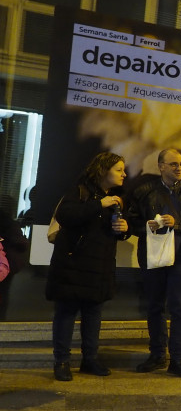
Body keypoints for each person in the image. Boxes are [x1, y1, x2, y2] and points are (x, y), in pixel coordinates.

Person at [125, 147, 181, 378]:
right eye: (173, 164)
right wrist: (146, 226)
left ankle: (178, 359)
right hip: (153, 255)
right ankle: (157, 355)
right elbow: (129, 221)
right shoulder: (144, 190)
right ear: (161, 166)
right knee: (154, 306)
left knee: (180, 309)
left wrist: (178, 222)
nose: (179, 168)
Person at [45, 152, 129, 381]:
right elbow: (66, 215)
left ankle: (89, 359)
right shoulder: (80, 191)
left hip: (98, 268)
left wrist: (123, 230)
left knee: (93, 314)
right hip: (72, 265)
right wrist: (98, 204)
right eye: (119, 169)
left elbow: (106, 231)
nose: (124, 174)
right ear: (103, 170)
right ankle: (61, 361)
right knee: (66, 314)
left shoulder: (112, 199)